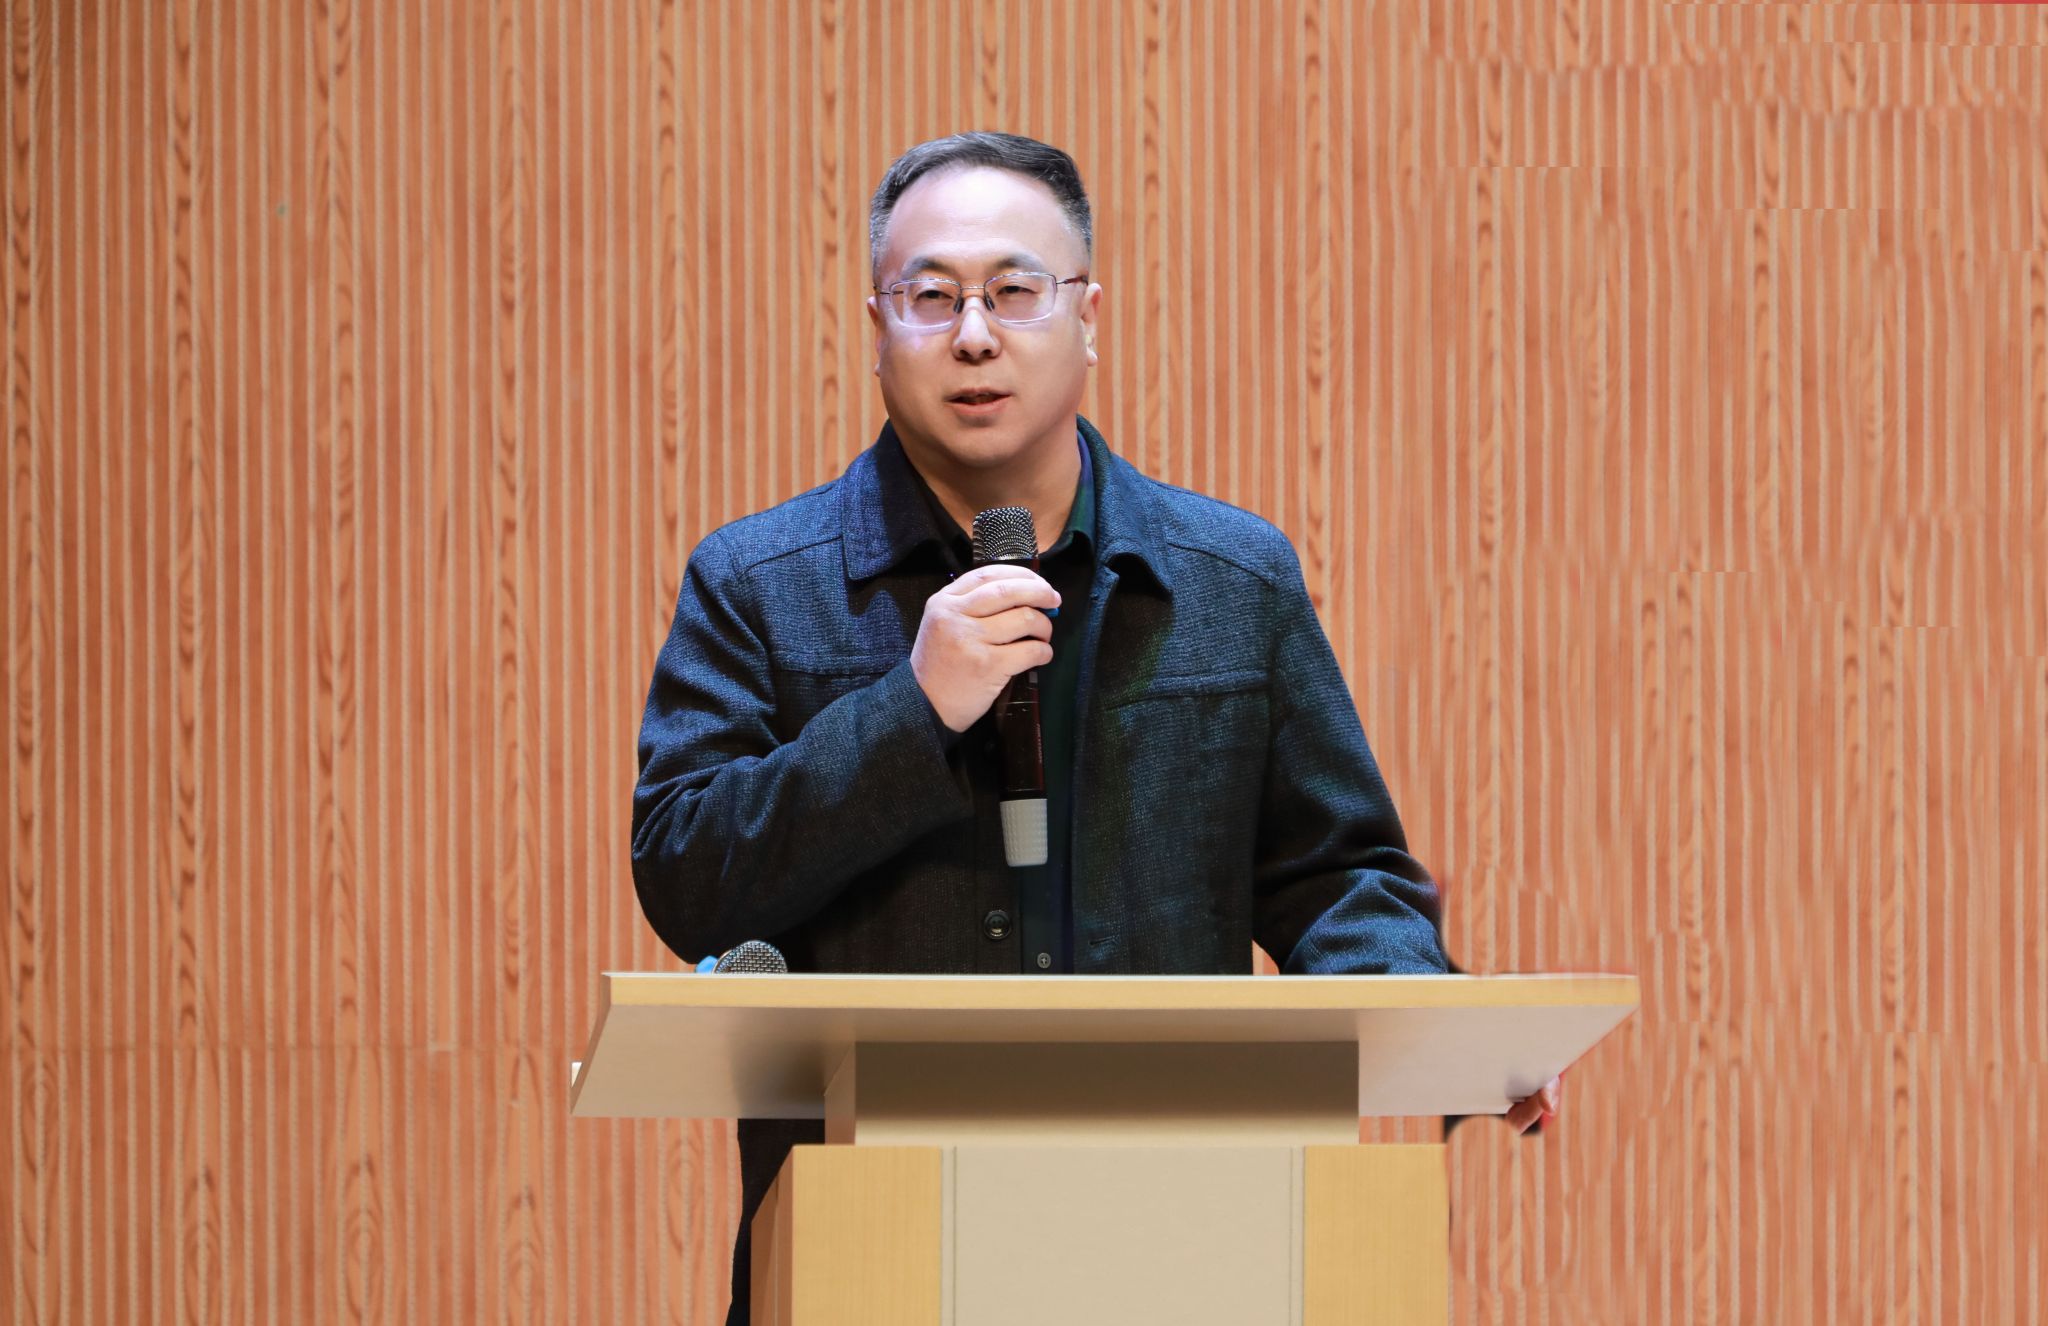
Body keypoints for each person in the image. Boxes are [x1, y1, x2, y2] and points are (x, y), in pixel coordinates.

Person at [630, 131, 1560, 1326]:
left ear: (1087, 316)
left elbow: (1332, 876)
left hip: (1178, 1234)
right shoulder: (759, 582)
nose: (974, 335)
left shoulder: (1230, 578)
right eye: (930, 298)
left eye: (1014, 291)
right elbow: (688, 876)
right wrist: (912, 711)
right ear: (876, 327)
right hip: (874, 1244)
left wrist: (1439, 1029)